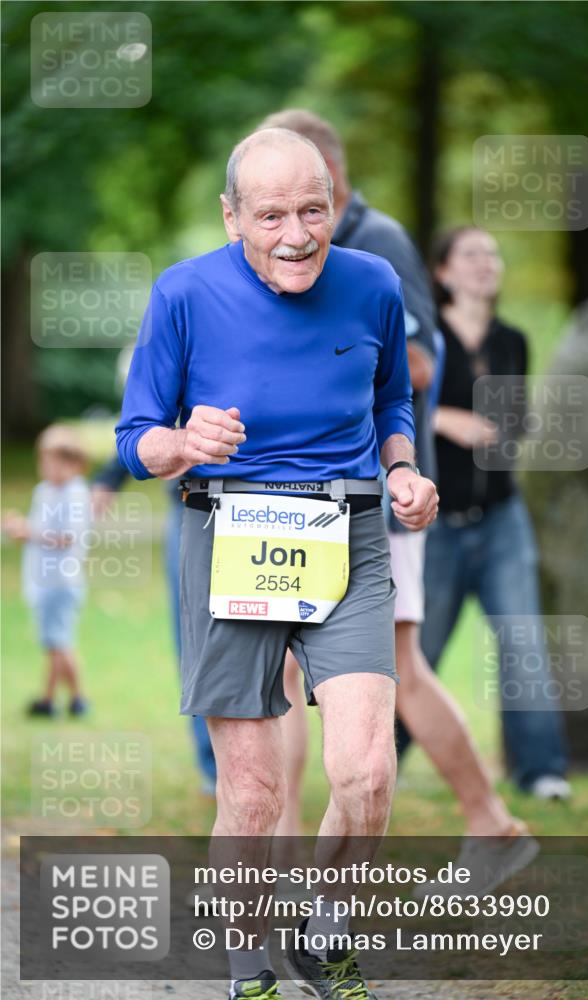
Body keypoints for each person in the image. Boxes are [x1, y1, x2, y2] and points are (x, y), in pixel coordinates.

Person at [115, 127, 437, 1000]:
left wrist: (403, 468)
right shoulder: (182, 293)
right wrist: (183, 440)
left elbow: (391, 396)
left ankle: (320, 927)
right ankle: (246, 969)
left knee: (367, 774)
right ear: (231, 219)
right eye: (270, 216)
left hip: (349, 532)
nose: (296, 234)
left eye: (312, 209)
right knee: (252, 794)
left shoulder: (371, 282)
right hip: (225, 537)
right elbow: (133, 439)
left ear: (334, 203)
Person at [261, 110, 534, 849]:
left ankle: (490, 822)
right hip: (301, 502)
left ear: (327, 173)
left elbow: (417, 362)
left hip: (376, 497)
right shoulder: (305, 245)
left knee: (399, 673)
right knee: (281, 680)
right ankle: (281, 850)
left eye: (287, 177)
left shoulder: (375, 243)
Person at [421, 224, 570, 800]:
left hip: (503, 519)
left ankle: (541, 771)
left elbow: (515, 420)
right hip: (435, 524)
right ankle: (380, 759)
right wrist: (445, 420)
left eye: (493, 254)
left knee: (524, 643)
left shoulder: (512, 340)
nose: (486, 263)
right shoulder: (424, 337)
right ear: (443, 272)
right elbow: (386, 408)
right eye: (471, 254)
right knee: (420, 650)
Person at [91, 460, 217, 793]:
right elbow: (150, 419)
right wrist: (109, 477)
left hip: (277, 503)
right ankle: (214, 767)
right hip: (194, 504)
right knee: (195, 644)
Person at [3, 425, 90, 717]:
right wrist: (18, 527)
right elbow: (38, 528)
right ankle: (55, 698)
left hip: (61, 581)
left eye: (57, 461)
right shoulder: (44, 491)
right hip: (41, 580)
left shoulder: (76, 494)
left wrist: (28, 532)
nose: (49, 467)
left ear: (76, 464)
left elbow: (66, 536)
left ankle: (67, 698)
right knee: (54, 642)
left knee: (59, 642)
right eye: (45, 460)